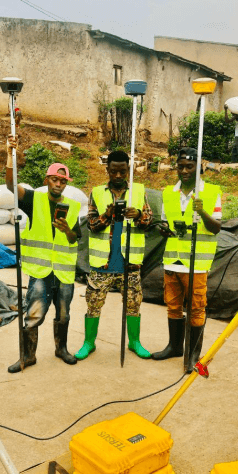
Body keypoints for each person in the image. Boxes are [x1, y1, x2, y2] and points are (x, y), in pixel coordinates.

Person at [5, 135, 81, 373]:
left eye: (62, 181)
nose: (58, 184)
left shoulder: (73, 206)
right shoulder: (32, 199)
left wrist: (67, 229)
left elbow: (74, 238)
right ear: (47, 180)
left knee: (64, 314)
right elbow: (10, 185)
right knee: (34, 313)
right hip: (40, 271)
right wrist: (10, 155)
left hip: (64, 271)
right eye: (55, 179)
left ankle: (61, 349)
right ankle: (28, 356)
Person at [75, 150, 153, 361]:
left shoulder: (138, 191)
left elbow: (148, 223)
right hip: (103, 264)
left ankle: (134, 341)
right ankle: (88, 342)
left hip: (130, 262)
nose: (118, 176)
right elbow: (91, 225)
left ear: (128, 170)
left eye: (123, 171)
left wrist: (138, 215)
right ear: (107, 170)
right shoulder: (97, 193)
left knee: (133, 304)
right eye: (114, 171)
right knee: (94, 304)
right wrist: (107, 215)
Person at [152, 147, 222, 372]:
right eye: (180, 166)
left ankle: (193, 354)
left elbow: (216, 228)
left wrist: (202, 212)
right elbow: (165, 222)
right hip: (172, 259)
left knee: (196, 308)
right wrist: (163, 229)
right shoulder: (168, 192)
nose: (184, 170)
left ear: (198, 167)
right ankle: (174, 346)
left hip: (197, 262)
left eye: (189, 166)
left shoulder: (211, 192)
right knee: (173, 305)